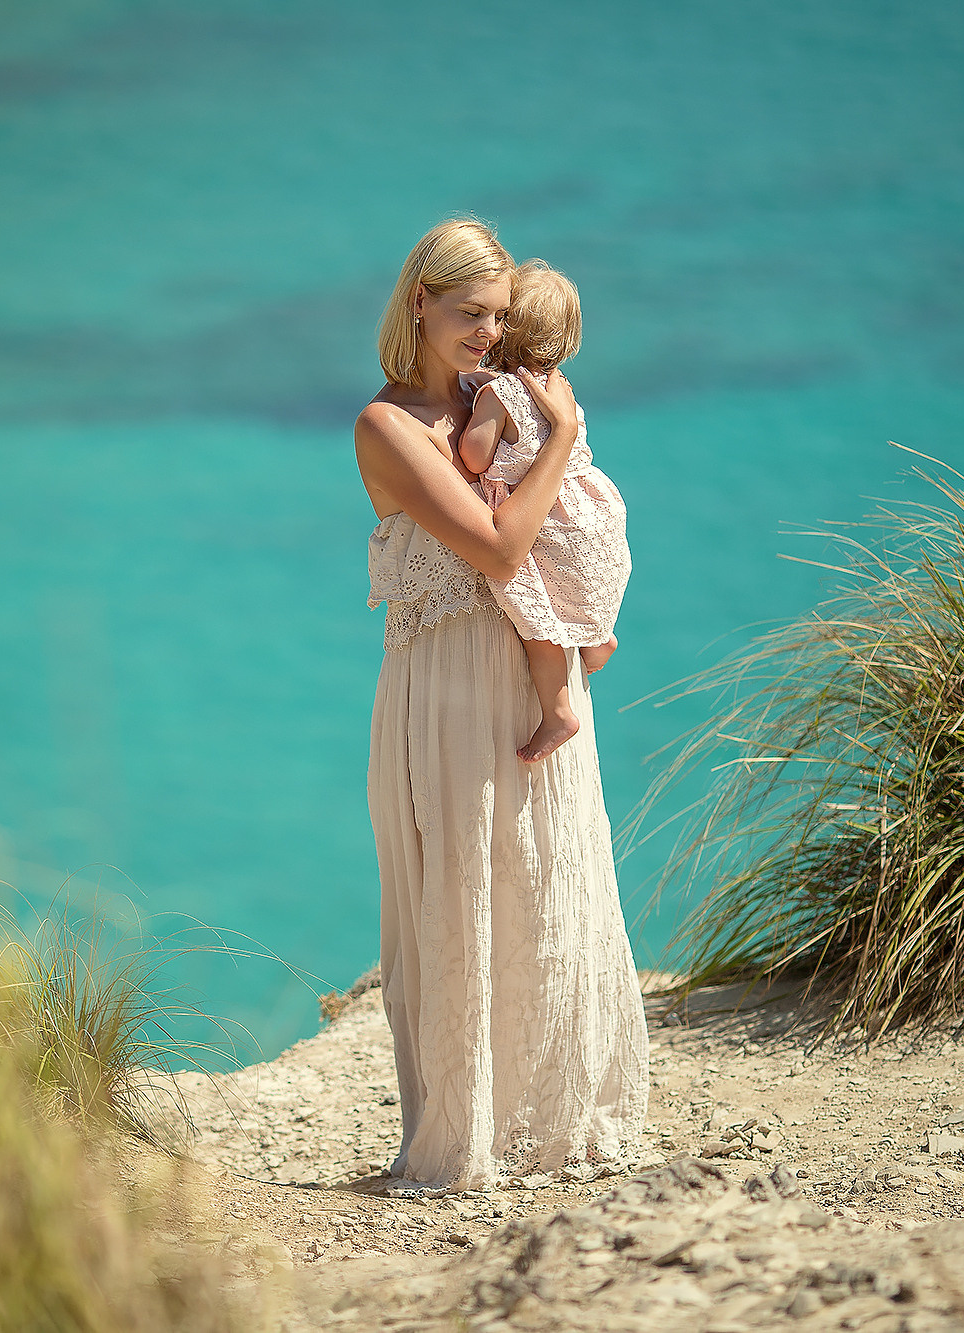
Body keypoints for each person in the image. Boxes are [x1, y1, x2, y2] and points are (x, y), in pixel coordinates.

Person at [356, 218, 648, 1192]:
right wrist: (562, 433)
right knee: (451, 901)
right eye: (468, 313)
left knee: (548, 877)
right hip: (439, 694)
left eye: (499, 317)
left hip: (528, 675)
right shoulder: (388, 427)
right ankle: (457, 1137)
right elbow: (496, 548)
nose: (484, 333)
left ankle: (559, 1120)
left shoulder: (501, 400)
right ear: (419, 304)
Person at [455, 259, 631, 762]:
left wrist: (469, 426)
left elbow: (474, 455)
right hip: (590, 509)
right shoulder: (561, 391)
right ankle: (599, 639)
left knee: (539, 620)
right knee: (581, 584)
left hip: (545, 519)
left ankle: (558, 713)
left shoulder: (500, 393)